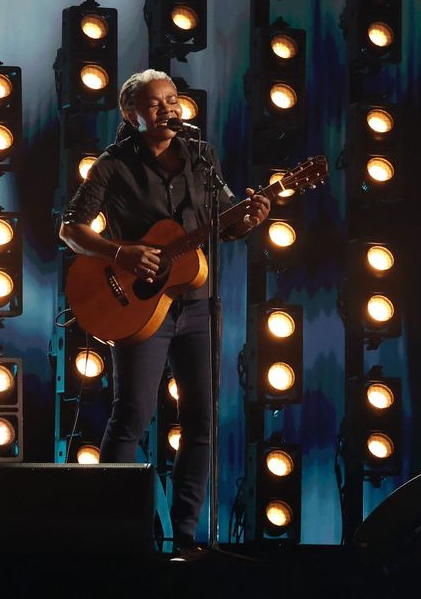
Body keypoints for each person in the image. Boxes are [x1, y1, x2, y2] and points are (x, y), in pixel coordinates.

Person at [59, 69, 270, 557]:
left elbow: (224, 223)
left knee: (201, 420)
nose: (167, 109)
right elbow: (70, 229)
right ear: (130, 113)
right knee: (132, 415)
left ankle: (186, 537)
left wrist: (249, 219)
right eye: (154, 103)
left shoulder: (202, 156)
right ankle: (119, 533)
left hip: (197, 304)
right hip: (137, 307)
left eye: (172, 100)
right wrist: (120, 252)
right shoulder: (113, 165)